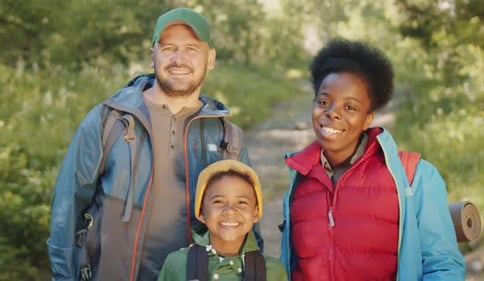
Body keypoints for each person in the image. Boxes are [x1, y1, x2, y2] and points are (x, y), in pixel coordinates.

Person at [47, 7, 263, 281]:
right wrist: (64, 276)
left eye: (191, 49)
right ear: (153, 56)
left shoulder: (226, 137)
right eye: (169, 47)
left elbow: (248, 225)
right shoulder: (109, 121)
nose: (178, 59)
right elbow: (68, 205)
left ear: (210, 59)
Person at [279, 39, 465, 281]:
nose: (332, 112)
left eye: (350, 107)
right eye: (323, 101)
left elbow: (443, 267)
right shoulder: (299, 178)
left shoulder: (415, 177)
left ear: (368, 118)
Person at [157, 160, 287, 281]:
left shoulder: (272, 272)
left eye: (241, 202)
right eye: (218, 201)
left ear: (256, 213)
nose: (230, 210)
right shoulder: (177, 264)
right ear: (201, 211)